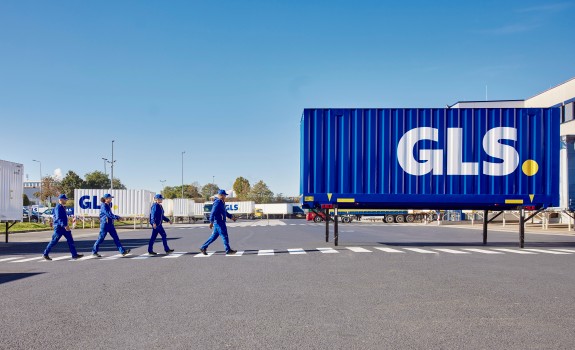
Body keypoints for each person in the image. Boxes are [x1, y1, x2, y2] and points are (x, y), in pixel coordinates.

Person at [42, 194, 84, 260]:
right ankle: (45, 254)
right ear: (60, 200)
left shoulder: (62, 207)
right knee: (54, 241)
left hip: (64, 227)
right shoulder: (58, 207)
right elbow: (59, 218)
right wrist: (65, 225)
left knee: (70, 240)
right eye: (65, 199)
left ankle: (74, 254)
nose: (66, 200)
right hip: (59, 227)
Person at [199, 189, 237, 255]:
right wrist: (211, 222)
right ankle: (228, 250)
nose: (225, 196)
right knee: (224, 235)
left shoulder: (221, 202)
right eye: (225, 195)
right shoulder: (218, 202)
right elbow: (213, 212)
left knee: (213, 237)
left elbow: (224, 212)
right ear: (221, 195)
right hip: (219, 222)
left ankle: (203, 247)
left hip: (220, 222)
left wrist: (231, 217)